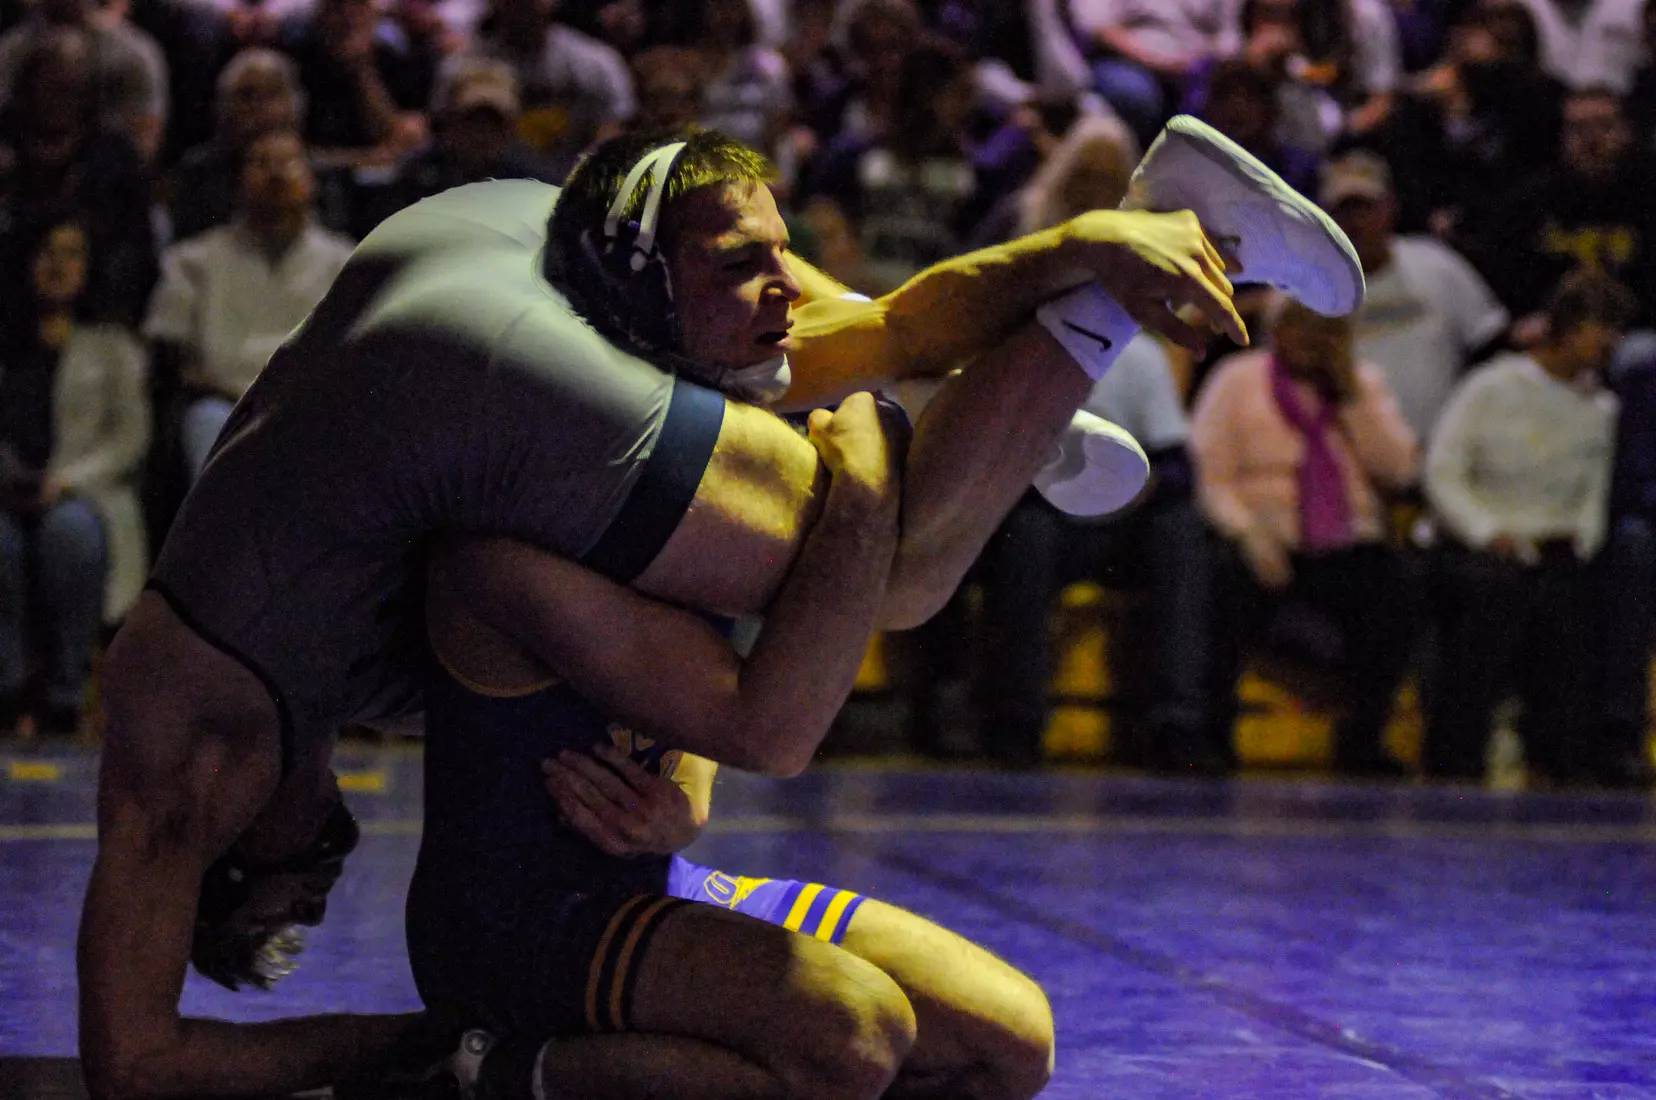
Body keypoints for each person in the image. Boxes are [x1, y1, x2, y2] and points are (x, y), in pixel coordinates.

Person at [76, 118, 1357, 1100]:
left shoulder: (254, 686)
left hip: (472, 351)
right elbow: (131, 1069)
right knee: (882, 546)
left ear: (242, 839)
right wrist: (433, 1048)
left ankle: (995, 399)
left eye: (302, 869)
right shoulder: (266, 695)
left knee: (885, 554)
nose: (331, 838)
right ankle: (983, 411)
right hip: (472, 252)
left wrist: (864, 487)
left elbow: (734, 698)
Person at [1190, 295, 1419, 777]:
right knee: (1218, 577)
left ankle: (1364, 741)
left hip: (1345, 542)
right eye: (1300, 325)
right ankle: (1210, 735)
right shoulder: (1238, 379)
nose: (1311, 338)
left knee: (1393, 584)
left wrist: (1352, 397)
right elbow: (1210, 477)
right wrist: (1248, 532)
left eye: (1325, 328)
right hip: (1261, 536)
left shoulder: (1362, 386)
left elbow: (1398, 471)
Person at [1422, 269, 1629, 784]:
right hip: (1477, 544)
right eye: (1601, 328)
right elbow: (1443, 470)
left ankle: (1567, 755)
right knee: (1494, 595)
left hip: (1554, 550)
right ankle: (1458, 756)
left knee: (1581, 598)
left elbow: (1593, 497)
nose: (1610, 343)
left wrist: (1580, 541)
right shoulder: (1491, 387)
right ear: (1568, 327)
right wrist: (1486, 530)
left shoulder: (1602, 409)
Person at [0, 211, 149, 736]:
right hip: (6, 495)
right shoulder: (8, 342)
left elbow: (129, 439)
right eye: (46, 252)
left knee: (71, 534)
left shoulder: (113, 345)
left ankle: (65, 694)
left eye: (71, 253)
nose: (57, 265)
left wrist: (65, 482)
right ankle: (10, 687)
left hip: (87, 492)